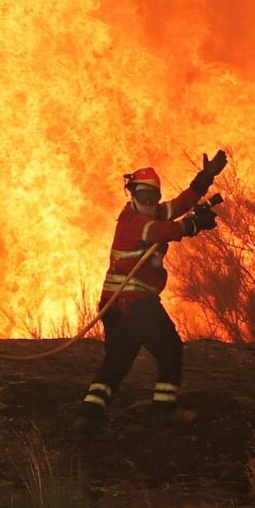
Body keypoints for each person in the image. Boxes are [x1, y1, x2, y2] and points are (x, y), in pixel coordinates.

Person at [78, 151, 226, 427]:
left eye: (153, 198)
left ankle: (89, 413)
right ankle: (165, 409)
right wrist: (193, 225)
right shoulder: (132, 222)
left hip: (114, 306)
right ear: (132, 194)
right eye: (143, 197)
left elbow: (181, 203)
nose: (149, 203)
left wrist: (206, 177)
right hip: (135, 303)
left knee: (118, 360)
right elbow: (162, 232)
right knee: (170, 348)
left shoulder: (152, 213)